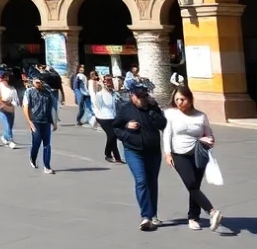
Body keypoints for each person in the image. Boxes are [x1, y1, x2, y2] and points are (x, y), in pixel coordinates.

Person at [163, 86, 222, 231]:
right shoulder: (171, 114)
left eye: (182, 99)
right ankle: (212, 212)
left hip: (198, 154)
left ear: (190, 99)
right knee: (191, 183)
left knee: (195, 186)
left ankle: (193, 217)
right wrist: (168, 153)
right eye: (176, 99)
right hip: (179, 154)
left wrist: (210, 140)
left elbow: (209, 134)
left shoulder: (201, 116)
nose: (179, 102)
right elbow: (167, 133)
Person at [113, 80, 167, 231]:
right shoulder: (125, 109)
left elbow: (162, 125)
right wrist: (127, 129)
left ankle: (153, 215)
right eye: (138, 96)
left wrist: (154, 111)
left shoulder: (152, 107)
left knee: (152, 182)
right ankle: (146, 217)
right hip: (133, 151)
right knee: (141, 180)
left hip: (153, 151)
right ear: (131, 95)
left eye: (144, 95)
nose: (142, 98)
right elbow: (115, 128)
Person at [23, 76, 56, 174]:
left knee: (47, 144)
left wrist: (54, 122)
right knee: (36, 142)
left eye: (39, 82)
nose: (38, 84)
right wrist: (29, 121)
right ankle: (32, 157)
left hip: (46, 121)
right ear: (33, 82)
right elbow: (25, 106)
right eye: (36, 82)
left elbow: (53, 108)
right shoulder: (29, 92)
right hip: (35, 121)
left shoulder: (48, 92)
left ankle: (47, 166)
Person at [90, 71, 123, 164]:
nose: (110, 83)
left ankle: (117, 157)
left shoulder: (113, 93)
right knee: (111, 135)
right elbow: (97, 106)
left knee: (114, 136)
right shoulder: (100, 94)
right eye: (107, 81)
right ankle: (107, 154)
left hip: (112, 116)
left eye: (110, 81)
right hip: (102, 117)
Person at [0, 70, 19, 149]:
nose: (0, 79)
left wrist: (13, 103)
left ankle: (4, 137)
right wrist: (3, 103)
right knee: (7, 126)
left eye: (2, 78)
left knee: (9, 127)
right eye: (0, 78)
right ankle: (11, 141)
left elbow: (16, 100)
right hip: (2, 109)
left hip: (11, 109)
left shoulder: (12, 89)